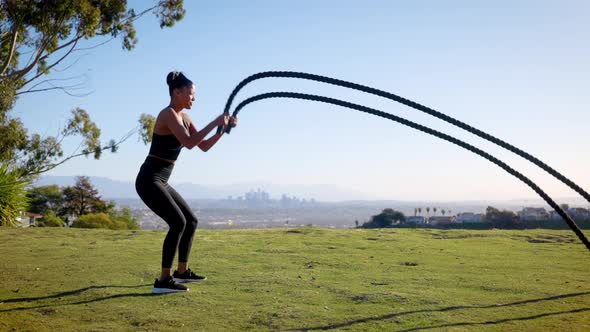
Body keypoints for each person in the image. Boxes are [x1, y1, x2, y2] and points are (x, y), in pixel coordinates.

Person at [135, 71, 237, 294]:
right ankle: (163, 280)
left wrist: (222, 129)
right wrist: (216, 121)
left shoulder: (185, 117)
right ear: (177, 92)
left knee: (190, 220)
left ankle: (182, 272)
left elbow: (203, 146)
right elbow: (189, 143)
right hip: (149, 179)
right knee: (178, 222)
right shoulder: (168, 114)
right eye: (191, 94)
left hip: (161, 179)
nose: (194, 99)